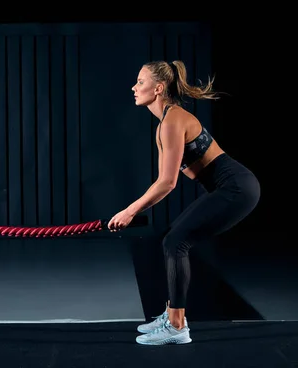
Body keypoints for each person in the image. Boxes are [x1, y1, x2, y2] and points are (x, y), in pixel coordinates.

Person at [107, 60, 261, 346]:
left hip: (237, 187)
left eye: (140, 81)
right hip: (230, 188)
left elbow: (167, 183)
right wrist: (132, 210)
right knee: (173, 239)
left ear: (159, 88)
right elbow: (166, 179)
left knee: (175, 241)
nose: (134, 87)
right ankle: (172, 316)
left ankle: (177, 326)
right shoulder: (165, 124)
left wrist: (129, 211)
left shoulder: (173, 121)